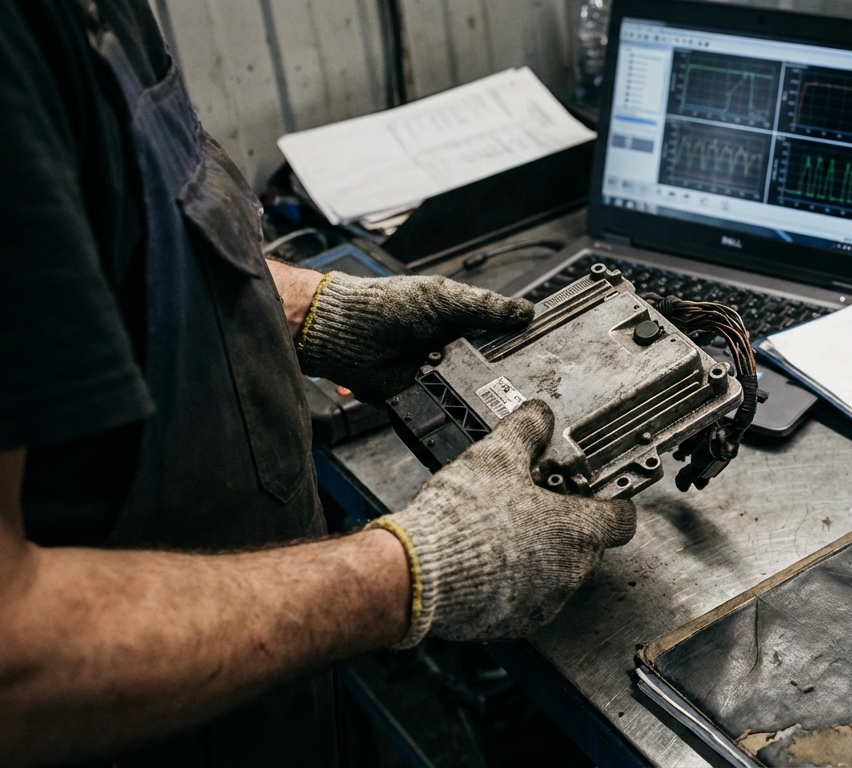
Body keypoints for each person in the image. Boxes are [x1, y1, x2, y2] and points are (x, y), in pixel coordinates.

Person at [0, 2, 636, 766]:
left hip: (258, 683)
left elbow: (98, 252)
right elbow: (14, 659)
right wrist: (410, 569)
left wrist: (305, 310)